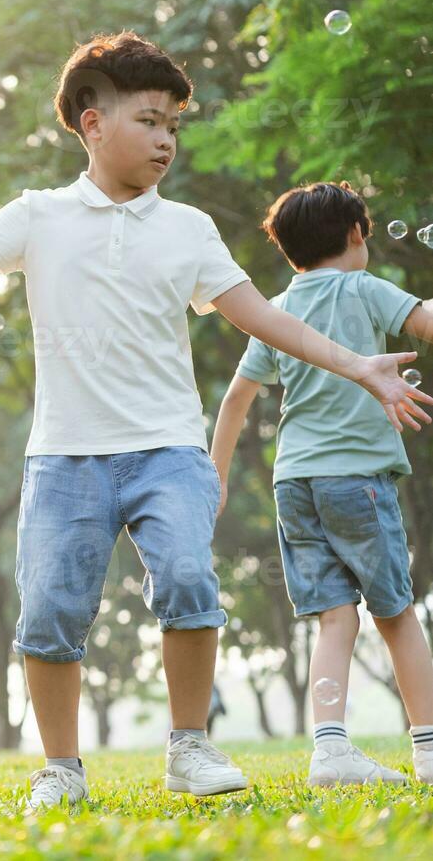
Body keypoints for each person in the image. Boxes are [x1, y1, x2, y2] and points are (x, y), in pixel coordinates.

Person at [0, 31, 430, 812]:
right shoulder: (36, 216)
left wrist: (356, 363)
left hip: (167, 446)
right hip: (64, 454)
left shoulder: (189, 229)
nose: (165, 138)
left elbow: (263, 320)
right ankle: (61, 768)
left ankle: (189, 745)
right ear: (90, 123)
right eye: (148, 120)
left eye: (173, 123)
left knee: (189, 580)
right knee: (50, 610)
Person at [210, 181, 433, 785]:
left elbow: (235, 401)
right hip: (356, 478)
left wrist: (218, 477)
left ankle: (330, 752)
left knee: (336, 619)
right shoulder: (365, 287)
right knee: (397, 614)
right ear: (358, 234)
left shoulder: (275, 312)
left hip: (295, 486)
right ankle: (429, 751)